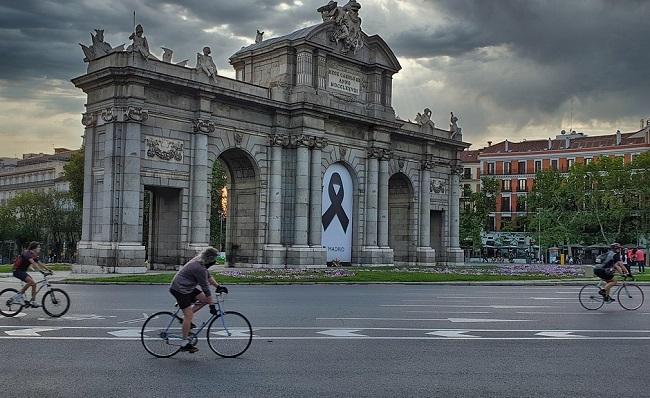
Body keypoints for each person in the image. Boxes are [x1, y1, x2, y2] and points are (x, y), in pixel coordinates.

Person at [169, 247, 226, 353]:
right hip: (179, 289)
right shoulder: (198, 268)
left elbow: (208, 276)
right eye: (214, 260)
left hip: (187, 287)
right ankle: (184, 343)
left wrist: (218, 286)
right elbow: (205, 288)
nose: (215, 262)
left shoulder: (201, 261)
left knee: (204, 300)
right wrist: (212, 305)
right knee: (189, 315)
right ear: (209, 259)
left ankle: (183, 319)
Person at [12, 242, 53, 307]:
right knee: (31, 282)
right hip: (17, 271)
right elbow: (33, 263)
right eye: (38, 247)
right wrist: (41, 271)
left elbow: (40, 263)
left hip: (22, 271)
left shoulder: (33, 255)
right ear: (34, 248)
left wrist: (49, 270)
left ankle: (33, 301)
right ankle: (18, 296)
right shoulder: (27, 253)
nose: (40, 248)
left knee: (34, 284)